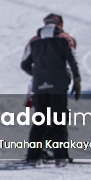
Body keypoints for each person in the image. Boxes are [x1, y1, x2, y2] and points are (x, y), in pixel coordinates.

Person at [20, 14, 81, 166]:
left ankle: (34, 156)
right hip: (58, 86)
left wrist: (40, 73)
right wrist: (77, 79)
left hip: (39, 86)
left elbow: (24, 64)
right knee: (59, 120)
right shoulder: (64, 39)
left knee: (40, 121)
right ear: (60, 24)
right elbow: (71, 59)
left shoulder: (34, 41)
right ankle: (60, 156)